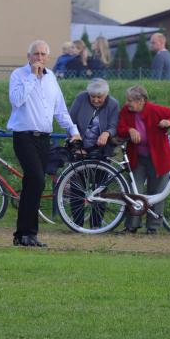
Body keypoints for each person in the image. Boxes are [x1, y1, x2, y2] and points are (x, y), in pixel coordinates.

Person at [8, 40, 81, 248]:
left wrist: (73, 131)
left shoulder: (51, 79)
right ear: (28, 56)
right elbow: (16, 100)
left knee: (33, 184)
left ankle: (23, 234)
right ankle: (28, 233)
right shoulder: (18, 75)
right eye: (36, 54)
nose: (39, 58)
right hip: (24, 136)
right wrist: (32, 76)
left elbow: (60, 110)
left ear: (48, 58)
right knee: (37, 179)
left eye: (42, 54)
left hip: (43, 138)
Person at [116, 85, 170, 234]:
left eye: (130, 101)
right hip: (137, 157)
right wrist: (129, 129)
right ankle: (132, 226)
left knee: (157, 192)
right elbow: (120, 128)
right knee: (134, 191)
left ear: (141, 100)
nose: (127, 103)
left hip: (159, 158)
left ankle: (153, 227)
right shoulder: (125, 111)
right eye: (127, 100)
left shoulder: (155, 110)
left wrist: (169, 122)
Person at [69, 78, 119, 157]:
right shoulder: (81, 98)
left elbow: (114, 126)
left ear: (106, 95)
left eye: (99, 97)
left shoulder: (113, 104)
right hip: (79, 145)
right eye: (92, 96)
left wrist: (107, 133)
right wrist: (77, 146)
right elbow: (70, 122)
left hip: (102, 147)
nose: (96, 100)